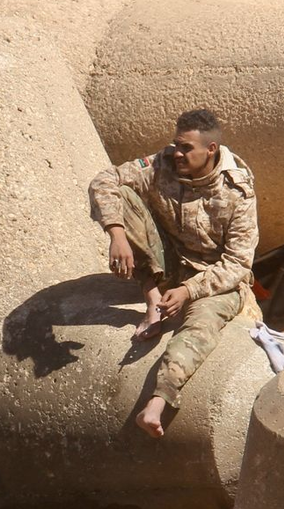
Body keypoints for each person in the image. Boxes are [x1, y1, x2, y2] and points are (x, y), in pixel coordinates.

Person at [88, 109, 259, 437]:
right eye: (176, 145)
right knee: (123, 196)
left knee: (201, 326)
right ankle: (151, 297)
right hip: (168, 259)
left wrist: (188, 292)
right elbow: (104, 180)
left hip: (213, 277)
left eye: (186, 149)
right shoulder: (163, 162)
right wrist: (116, 233)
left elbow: (238, 264)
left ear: (210, 150)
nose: (177, 153)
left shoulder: (237, 190)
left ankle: (159, 400)